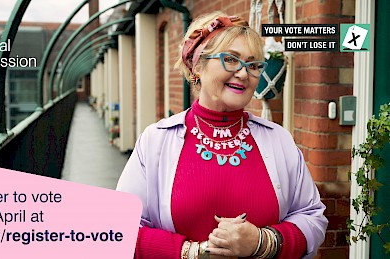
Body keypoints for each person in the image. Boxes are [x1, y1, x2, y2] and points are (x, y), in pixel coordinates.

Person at [116, 11, 327, 259]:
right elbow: (121, 231)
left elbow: (312, 217)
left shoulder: (278, 139)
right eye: (231, 59)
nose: (243, 73)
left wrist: (263, 242)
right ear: (198, 65)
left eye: (253, 65)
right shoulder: (155, 141)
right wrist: (194, 252)